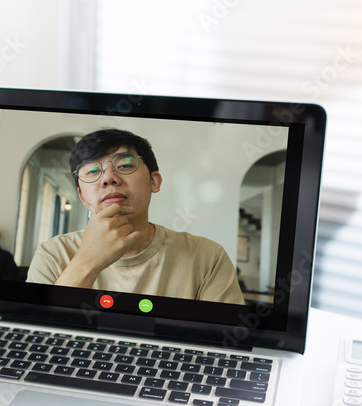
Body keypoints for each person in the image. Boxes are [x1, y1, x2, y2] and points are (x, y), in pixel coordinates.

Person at [26, 129, 244, 305]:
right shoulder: (52, 255)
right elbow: (35, 338)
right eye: (92, 171)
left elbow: (224, 343)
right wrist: (87, 262)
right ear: (82, 196)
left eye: (125, 165)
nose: (109, 178)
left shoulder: (207, 257)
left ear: (154, 181)